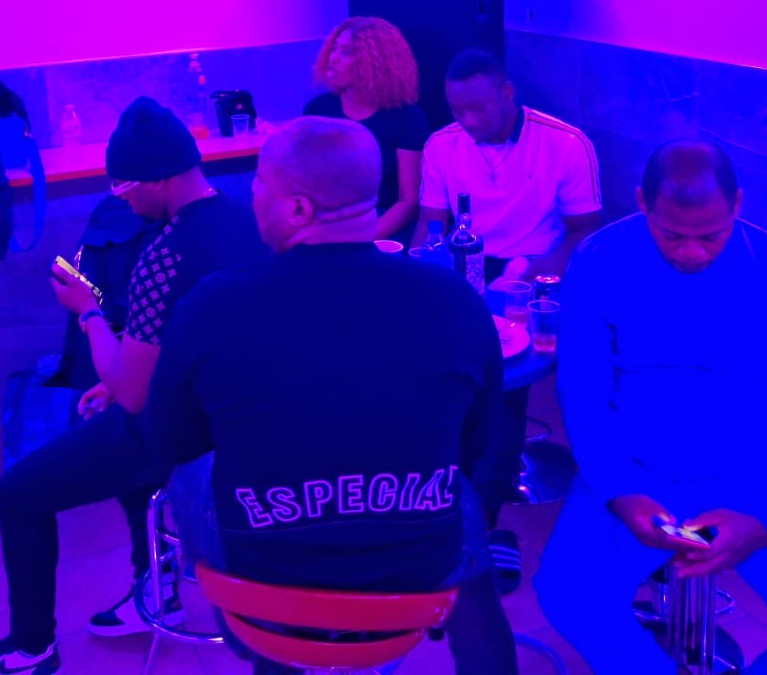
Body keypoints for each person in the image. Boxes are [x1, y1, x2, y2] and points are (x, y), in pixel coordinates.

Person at [146, 117, 512, 673]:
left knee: (190, 473)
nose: (252, 195)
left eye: (260, 182)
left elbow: (171, 443)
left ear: (298, 209)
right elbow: (476, 442)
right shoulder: (456, 299)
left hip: (261, 592)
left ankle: (279, 655)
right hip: (417, 584)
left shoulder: (211, 306)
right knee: (455, 489)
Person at [536, 141, 767, 673]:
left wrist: (764, 522)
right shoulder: (600, 261)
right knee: (569, 596)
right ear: (642, 203)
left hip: (763, 475)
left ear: (738, 204)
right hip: (637, 468)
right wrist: (619, 491)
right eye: (671, 235)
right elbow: (583, 395)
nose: (692, 253)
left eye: (711, 236)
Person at [0, 97, 264, 675]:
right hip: (238, 421)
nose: (120, 198)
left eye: (124, 186)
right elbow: (199, 338)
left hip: (182, 431)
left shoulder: (164, 255)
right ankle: (156, 584)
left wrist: (88, 311)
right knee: (111, 429)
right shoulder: (251, 220)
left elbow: (132, 393)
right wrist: (124, 379)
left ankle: (31, 648)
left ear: (158, 179)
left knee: (18, 493)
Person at [415, 48, 602, 578]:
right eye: (456, 109)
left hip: (539, 275)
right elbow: (431, 226)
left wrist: (523, 273)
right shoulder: (443, 144)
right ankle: (436, 500)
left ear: (507, 93)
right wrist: (422, 276)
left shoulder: (564, 143)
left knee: (501, 381)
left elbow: (585, 236)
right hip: (465, 265)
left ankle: (479, 517)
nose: (466, 121)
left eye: (478, 108)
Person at [302, 17, 428, 241]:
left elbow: (407, 202)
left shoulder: (408, 118)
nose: (333, 58)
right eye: (334, 48)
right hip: (329, 219)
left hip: (382, 223)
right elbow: (304, 180)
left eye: (346, 51)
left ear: (373, 63)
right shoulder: (318, 110)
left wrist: (361, 240)